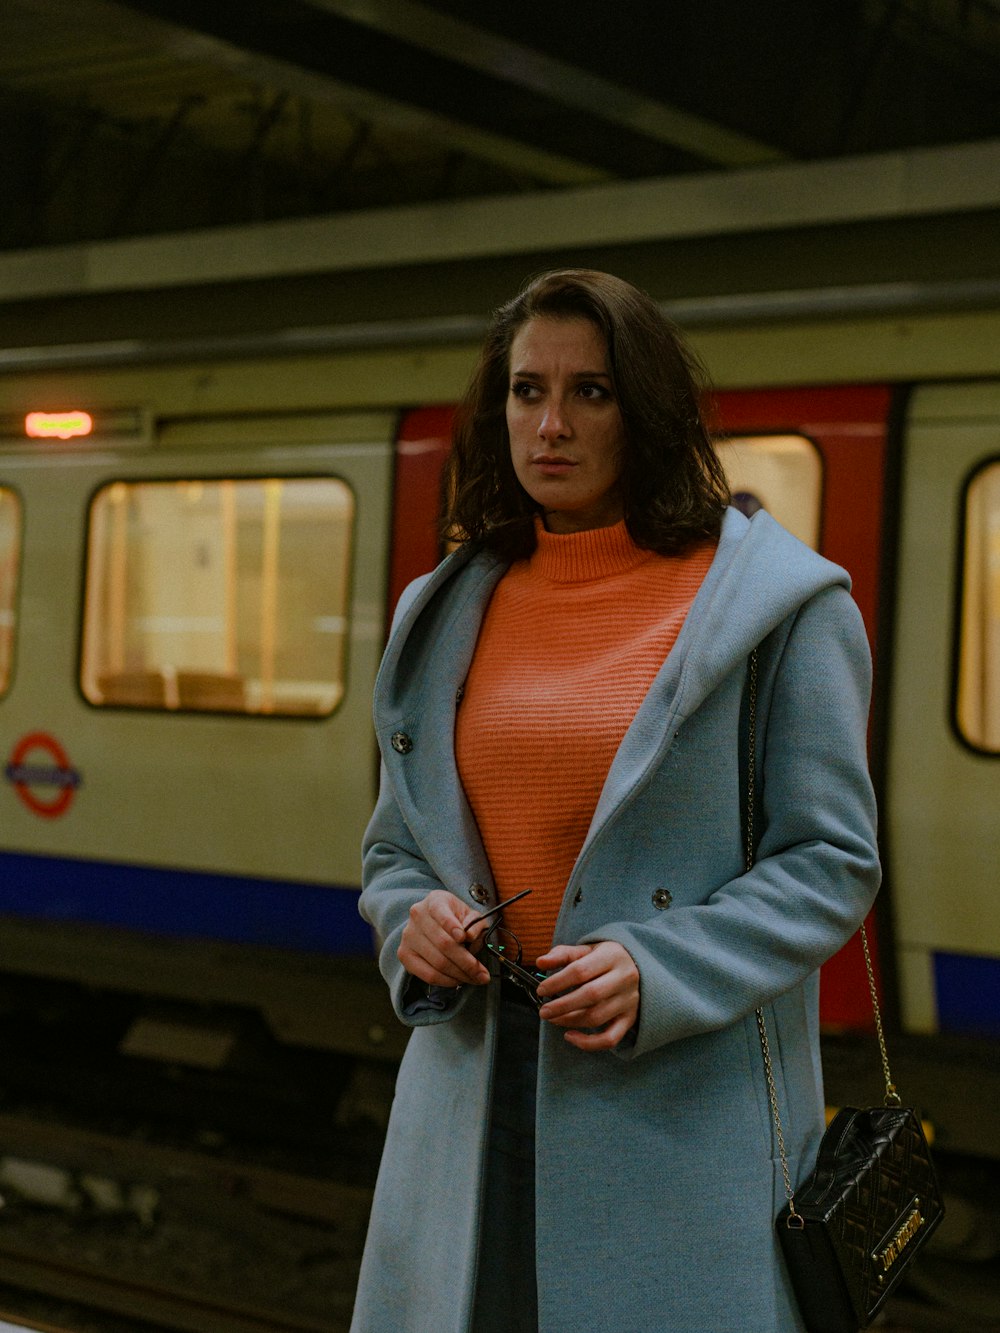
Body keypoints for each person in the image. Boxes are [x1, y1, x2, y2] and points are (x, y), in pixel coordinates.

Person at [352, 269, 880, 1333]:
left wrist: (658, 966)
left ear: (648, 407)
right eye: (524, 390)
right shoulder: (444, 606)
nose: (548, 425)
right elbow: (397, 850)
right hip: (470, 1094)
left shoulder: (779, 608)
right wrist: (412, 920)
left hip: (674, 1106)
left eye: (590, 392)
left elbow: (831, 861)